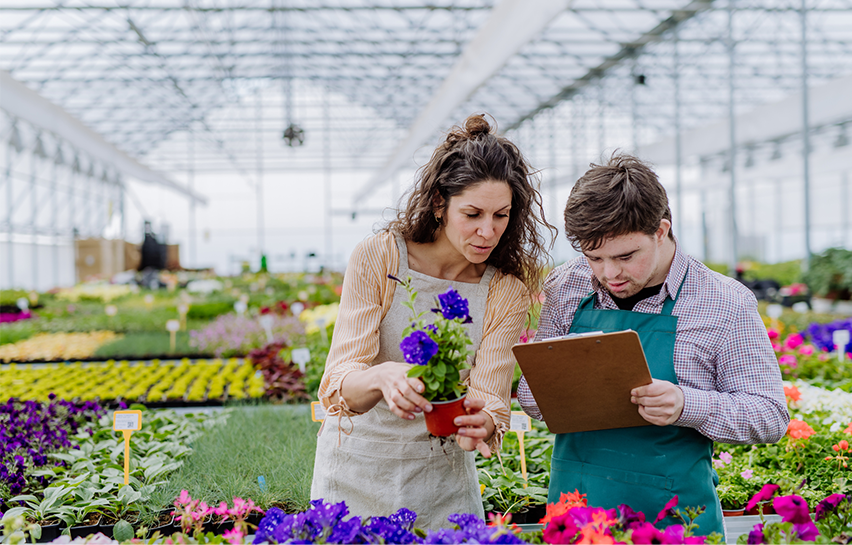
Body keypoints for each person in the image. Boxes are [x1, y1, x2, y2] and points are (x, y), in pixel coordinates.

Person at [517, 153, 789, 537]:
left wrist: (685, 404)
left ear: (661, 231)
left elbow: (770, 416)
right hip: (578, 513)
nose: (609, 273)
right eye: (594, 257)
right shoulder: (567, 286)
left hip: (675, 518)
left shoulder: (724, 301)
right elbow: (532, 400)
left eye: (626, 256)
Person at [311, 114, 554, 529]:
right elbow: (339, 386)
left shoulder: (504, 290)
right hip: (355, 474)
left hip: (444, 485)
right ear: (440, 202)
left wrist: (483, 423)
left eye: (501, 215)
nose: (488, 231)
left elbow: (490, 397)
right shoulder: (381, 257)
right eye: (473, 213)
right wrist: (383, 376)